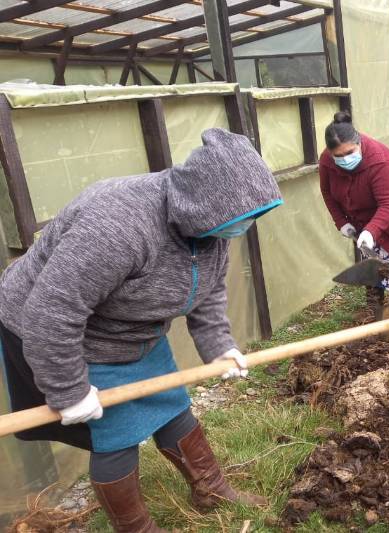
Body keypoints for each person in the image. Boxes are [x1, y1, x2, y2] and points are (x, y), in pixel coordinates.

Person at [0, 129, 282, 532]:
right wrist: (68, 391)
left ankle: (211, 489)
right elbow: (51, 312)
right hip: (70, 332)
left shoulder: (211, 224)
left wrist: (219, 346)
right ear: (198, 206)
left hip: (134, 327)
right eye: (238, 221)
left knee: (171, 401)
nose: (243, 229)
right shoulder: (117, 226)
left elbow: (207, 286)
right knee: (117, 431)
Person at [319, 111, 389, 319]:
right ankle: (374, 305)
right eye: (338, 156)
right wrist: (341, 222)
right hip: (363, 217)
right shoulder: (327, 161)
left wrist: (371, 230)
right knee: (372, 259)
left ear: (359, 142)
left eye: (350, 152)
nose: (345, 159)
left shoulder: (379, 160)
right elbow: (328, 193)